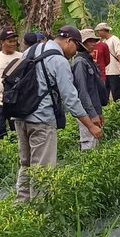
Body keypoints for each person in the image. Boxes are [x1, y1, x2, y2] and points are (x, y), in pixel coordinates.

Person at [13, 27, 104, 201]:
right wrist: (90, 125)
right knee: (43, 169)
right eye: (77, 47)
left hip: (21, 116)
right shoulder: (59, 61)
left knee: (26, 164)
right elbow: (71, 99)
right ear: (69, 40)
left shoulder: (29, 51)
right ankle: (39, 212)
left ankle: (22, 205)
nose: (75, 53)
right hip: (41, 120)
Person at [74, 29, 107, 150]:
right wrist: (92, 114)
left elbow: (94, 91)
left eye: (94, 41)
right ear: (82, 44)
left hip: (93, 110)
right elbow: (83, 92)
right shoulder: (80, 63)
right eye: (89, 41)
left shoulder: (88, 60)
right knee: (89, 144)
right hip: (87, 112)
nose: (93, 44)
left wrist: (98, 112)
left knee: (95, 144)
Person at [0, 28, 23, 139]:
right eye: (10, 41)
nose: (13, 44)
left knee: (16, 131)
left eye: (14, 41)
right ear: (2, 42)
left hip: (16, 100)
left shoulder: (21, 56)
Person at [96, 22, 120, 103]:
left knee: (116, 93)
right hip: (106, 71)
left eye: (99, 31)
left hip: (115, 70)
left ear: (103, 30)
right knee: (105, 92)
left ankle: (118, 109)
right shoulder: (104, 42)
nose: (98, 33)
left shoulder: (114, 39)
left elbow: (119, 52)